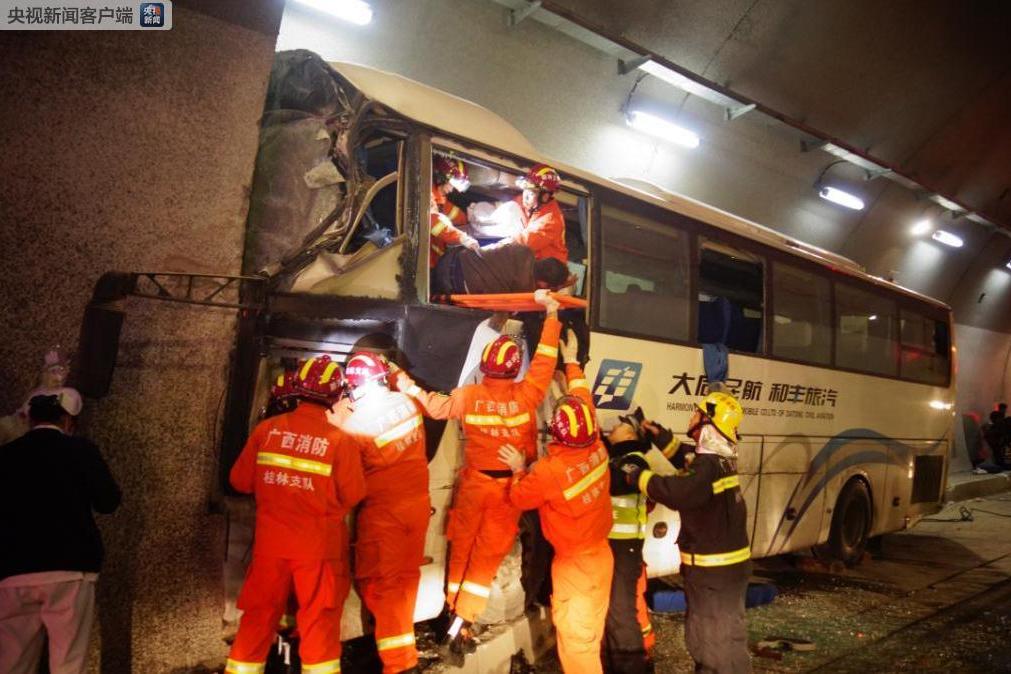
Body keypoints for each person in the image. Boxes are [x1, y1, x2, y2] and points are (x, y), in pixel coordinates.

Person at [393, 289, 562, 655]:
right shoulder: (526, 395)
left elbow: (435, 408)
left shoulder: (468, 396)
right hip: (507, 492)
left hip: (473, 485)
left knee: (461, 551)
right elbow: (546, 362)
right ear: (515, 367)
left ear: (485, 365)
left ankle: (452, 615)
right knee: (484, 562)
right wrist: (551, 317)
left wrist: (405, 383)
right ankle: (463, 623)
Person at [227, 355, 367, 674]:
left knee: (258, 618)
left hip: (270, 547)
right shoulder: (339, 442)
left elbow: (239, 481)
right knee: (318, 621)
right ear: (335, 396)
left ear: (297, 388)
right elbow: (355, 494)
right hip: (317, 551)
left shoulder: (268, 430)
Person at [498, 329, 612, 674]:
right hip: (600, 558)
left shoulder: (549, 471)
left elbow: (520, 496)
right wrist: (573, 362)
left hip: (574, 567)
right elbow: (583, 398)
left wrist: (518, 469)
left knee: (578, 648)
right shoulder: (596, 447)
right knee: (589, 636)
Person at [620, 392, 752, 674]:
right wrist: (658, 435)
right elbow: (687, 460)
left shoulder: (707, 468)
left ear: (708, 424)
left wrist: (635, 475)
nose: (691, 417)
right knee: (722, 638)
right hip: (724, 575)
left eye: (697, 414)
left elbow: (677, 491)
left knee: (713, 644)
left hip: (713, 578)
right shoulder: (719, 460)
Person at [0, 391, 121, 674]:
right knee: (68, 661)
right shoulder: (81, 450)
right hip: (70, 571)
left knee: (11, 662)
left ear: (29, 419)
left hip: (12, 573)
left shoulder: (5, 455)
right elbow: (108, 501)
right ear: (68, 420)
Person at [328, 352, 429, 674]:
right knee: (406, 580)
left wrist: (334, 419)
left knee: (379, 585)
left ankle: (401, 665)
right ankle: (404, 650)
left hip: (385, 514)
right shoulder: (407, 404)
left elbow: (344, 475)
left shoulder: (355, 425)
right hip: (417, 506)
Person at [602, 419, 653, 673]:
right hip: (616, 547)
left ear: (629, 434)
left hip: (625, 549)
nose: (611, 429)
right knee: (614, 612)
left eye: (617, 427)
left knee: (622, 614)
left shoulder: (635, 461)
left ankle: (632, 667)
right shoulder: (617, 459)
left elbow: (618, 481)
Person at [432, 239, 571, 295]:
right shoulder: (525, 290)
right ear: (544, 283)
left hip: (451, 258)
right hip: (452, 286)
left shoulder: (524, 250)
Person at [511, 163, 568, 264]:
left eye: (532, 192)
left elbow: (525, 242)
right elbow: (509, 209)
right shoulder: (528, 203)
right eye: (525, 189)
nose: (526, 195)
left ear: (545, 197)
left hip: (547, 274)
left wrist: (491, 249)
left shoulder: (551, 220)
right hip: (530, 266)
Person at [431, 155, 479, 266]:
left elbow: (452, 212)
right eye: (451, 185)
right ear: (440, 178)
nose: (452, 189)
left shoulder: (439, 197)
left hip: (435, 259)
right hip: (425, 259)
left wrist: (470, 219)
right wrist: (462, 238)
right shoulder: (428, 196)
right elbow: (434, 222)